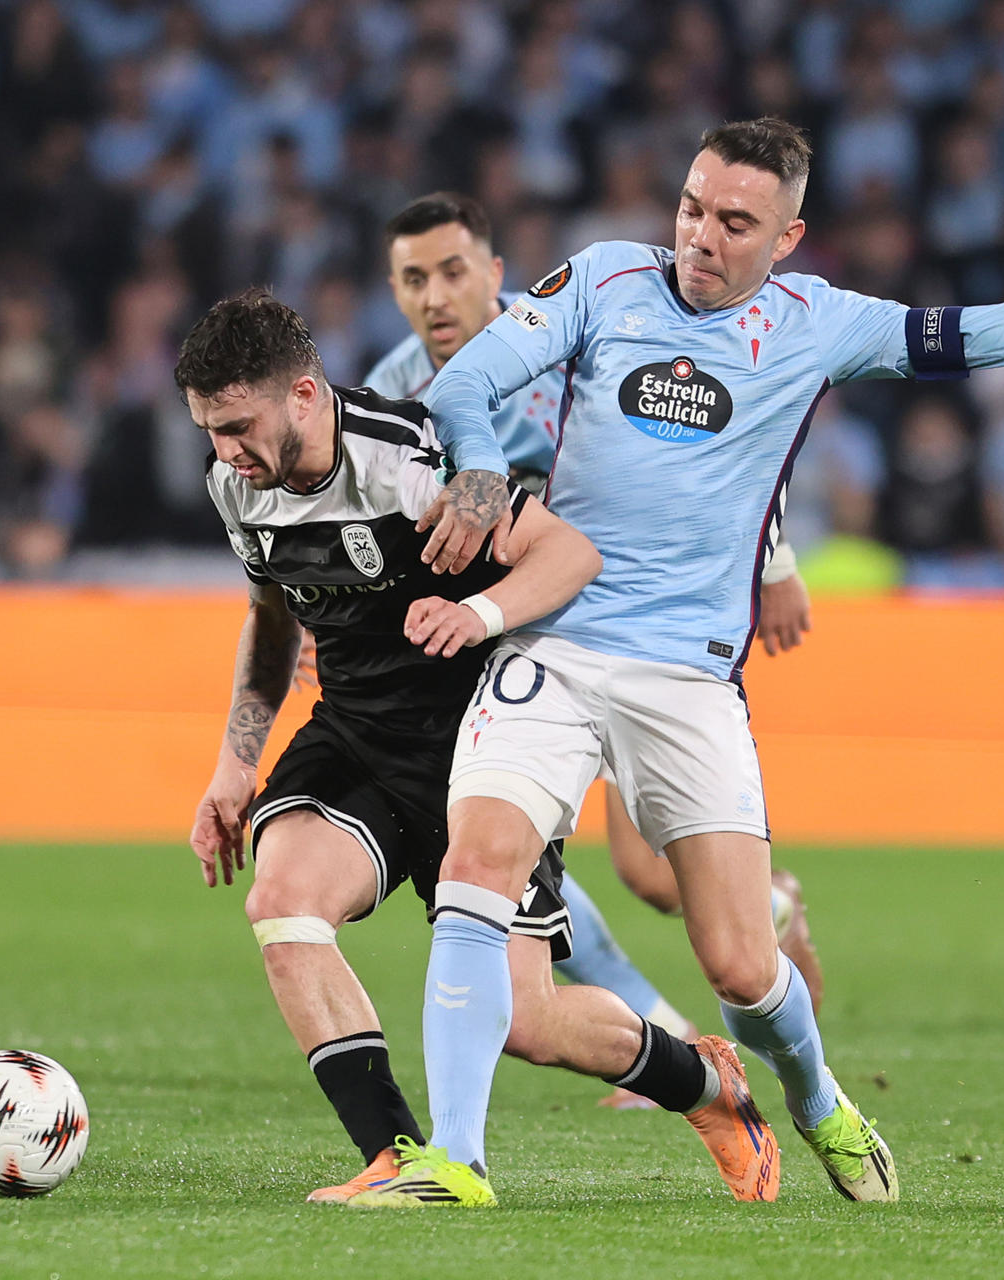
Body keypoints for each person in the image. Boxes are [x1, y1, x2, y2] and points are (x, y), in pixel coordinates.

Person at [362, 117, 1004, 1208]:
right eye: (694, 207)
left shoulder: (822, 324)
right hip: (551, 642)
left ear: (788, 236)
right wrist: (472, 471)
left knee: (742, 969)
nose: (700, 235)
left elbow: (996, 332)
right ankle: (455, 1164)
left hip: (688, 680)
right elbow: (470, 382)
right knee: (475, 866)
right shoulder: (605, 279)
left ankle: (815, 1096)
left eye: (735, 221)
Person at [180, 290, 780, 1208]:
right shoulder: (239, 487)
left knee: (528, 1023)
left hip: (481, 750)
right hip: (354, 733)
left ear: (303, 394)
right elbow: (270, 620)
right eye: (210, 432)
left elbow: (569, 555)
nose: (225, 453)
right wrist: (234, 763)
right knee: (284, 900)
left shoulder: (413, 461)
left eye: (237, 427)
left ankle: (707, 1086)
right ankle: (400, 1157)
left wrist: (476, 612)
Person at [363, 192, 828, 1080]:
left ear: (495, 275)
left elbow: (705, 455)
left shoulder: (559, 346)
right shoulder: (395, 395)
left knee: (653, 880)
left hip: (647, 632)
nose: (436, 297)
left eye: (454, 272)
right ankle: (666, 1037)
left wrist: (773, 564)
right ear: (393, 292)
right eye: (414, 279)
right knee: (510, 860)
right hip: (526, 651)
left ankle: (770, 912)